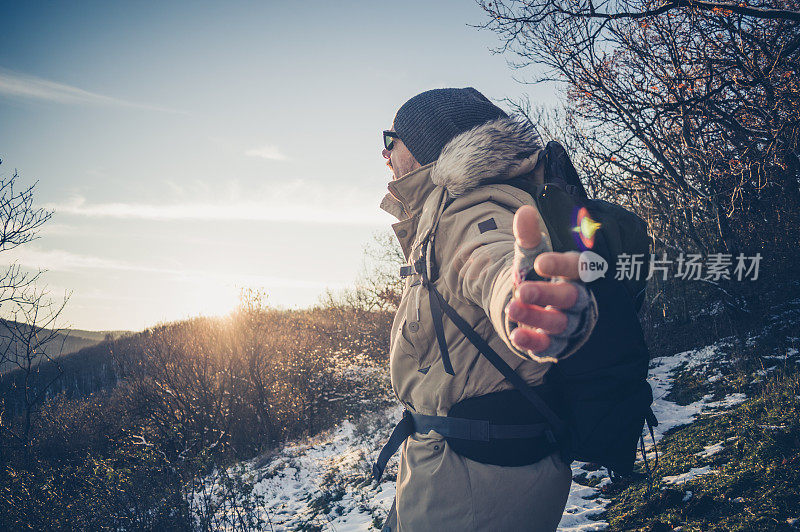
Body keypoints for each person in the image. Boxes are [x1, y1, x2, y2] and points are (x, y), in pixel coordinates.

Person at [377, 87, 599, 531]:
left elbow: (489, 262)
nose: (384, 153)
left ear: (423, 148)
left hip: (472, 481)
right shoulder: (442, 212)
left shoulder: (473, 206)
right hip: (460, 463)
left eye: (391, 139)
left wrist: (523, 299)